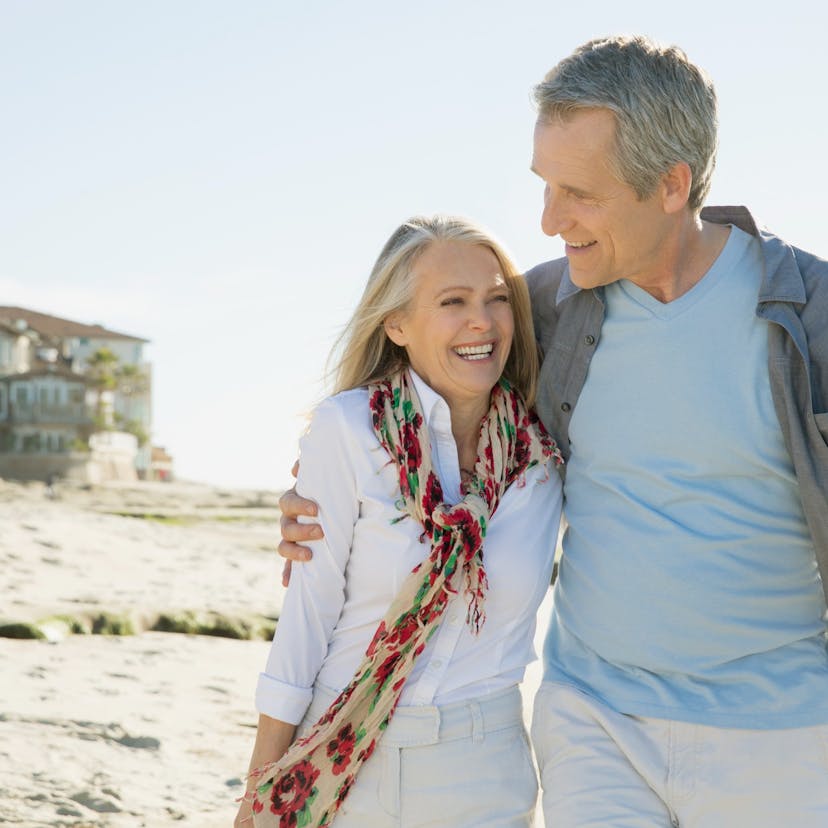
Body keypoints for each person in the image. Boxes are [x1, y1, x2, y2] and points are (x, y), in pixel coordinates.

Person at [278, 35, 828, 827]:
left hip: (782, 733)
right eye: (544, 185)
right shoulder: (540, 312)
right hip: (594, 722)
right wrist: (305, 492)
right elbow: (404, 402)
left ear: (672, 185)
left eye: (580, 194)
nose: (547, 221)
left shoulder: (809, 312)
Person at [235, 215, 563, 828]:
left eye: (498, 300)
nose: (482, 322)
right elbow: (307, 622)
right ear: (397, 324)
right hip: (341, 751)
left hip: (484, 768)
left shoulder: (543, 455)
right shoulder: (348, 430)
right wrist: (260, 789)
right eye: (452, 302)